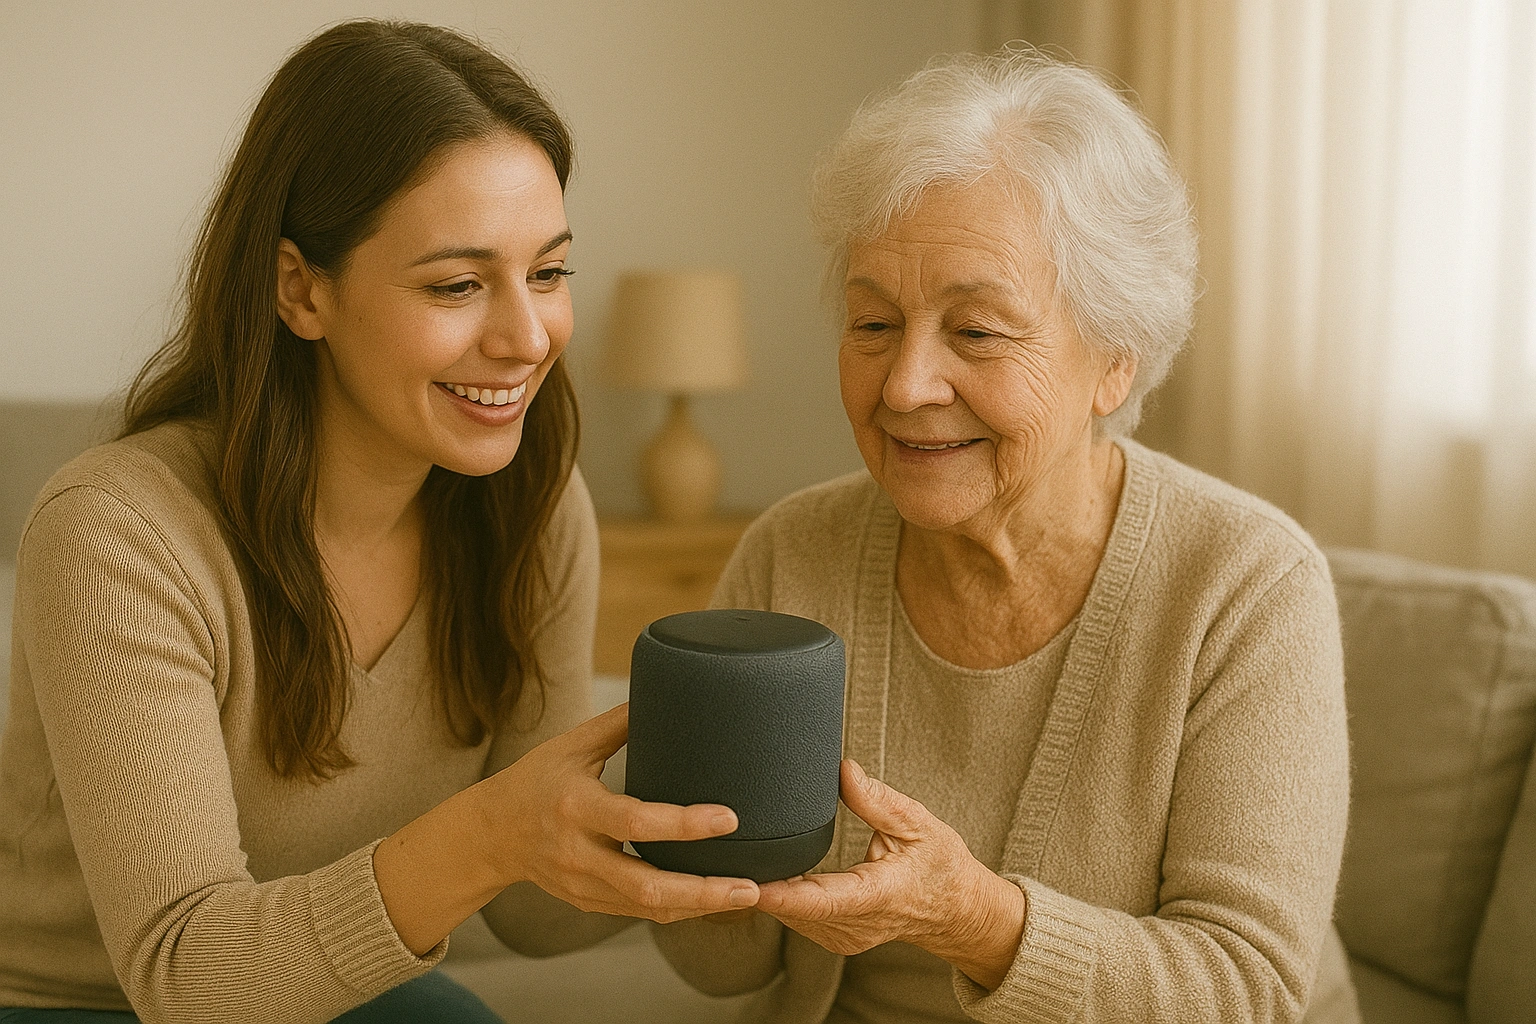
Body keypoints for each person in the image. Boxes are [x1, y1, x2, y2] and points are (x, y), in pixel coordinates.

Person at [0, 20, 759, 1024]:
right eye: (456, 284)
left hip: (350, 985)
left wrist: (735, 835)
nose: (527, 337)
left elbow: (533, 912)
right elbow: (188, 979)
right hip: (91, 1002)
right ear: (300, 289)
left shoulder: (535, 508)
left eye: (548, 272)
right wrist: (491, 832)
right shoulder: (120, 532)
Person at [654, 48, 1360, 1024]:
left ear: (1117, 360)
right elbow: (720, 968)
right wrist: (684, 854)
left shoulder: (1246, 586)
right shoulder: (792, 553)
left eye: (977, 332)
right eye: (872, 323)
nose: (904, 386)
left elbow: (1251, 990)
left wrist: (974, 918)